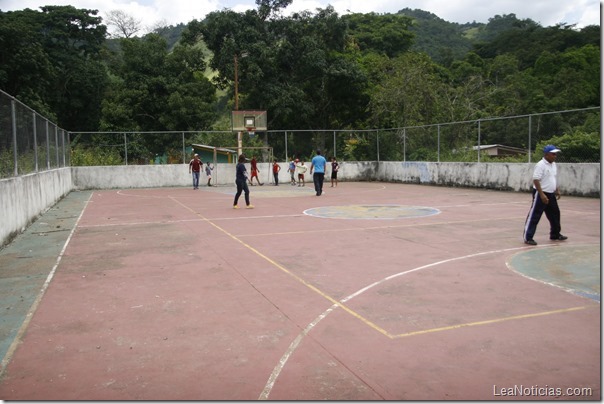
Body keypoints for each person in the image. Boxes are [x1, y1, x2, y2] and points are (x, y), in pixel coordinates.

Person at [523, 145, 567, 245]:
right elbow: (536, 180)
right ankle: (528, 237)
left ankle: (555, 234)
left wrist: (556, 189)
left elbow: (553, 178)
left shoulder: (553, 164)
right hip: (540, 193)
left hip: (551, 193)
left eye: (556, 154)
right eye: (553, 154)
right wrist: (542, 195)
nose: (555, 156)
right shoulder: (540, 165)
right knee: (535, 215)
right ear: (546, 154)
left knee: (555, 214)